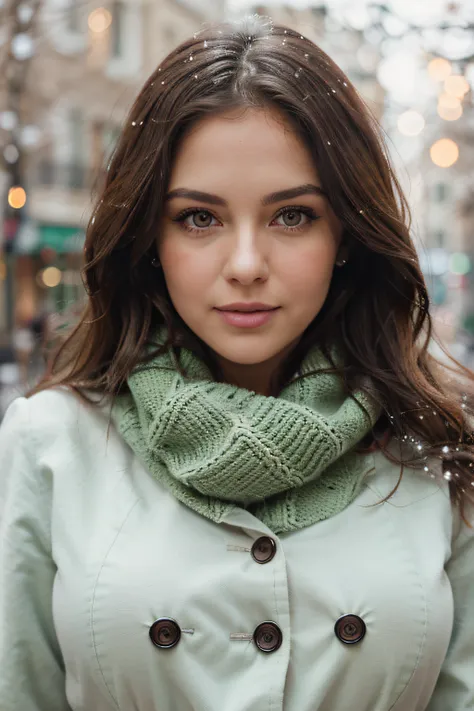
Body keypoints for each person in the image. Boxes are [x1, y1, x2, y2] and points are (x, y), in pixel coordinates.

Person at [0, 14, 473, 711]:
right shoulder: (52, 445)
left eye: (292, 216)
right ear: (148, 238)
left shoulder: (438, 442)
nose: (246, 265)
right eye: (199, 217)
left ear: (346, 231)